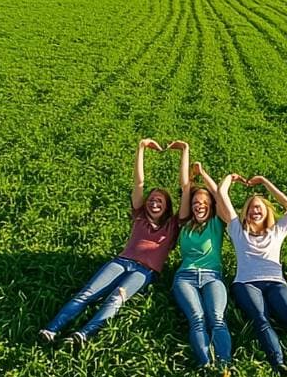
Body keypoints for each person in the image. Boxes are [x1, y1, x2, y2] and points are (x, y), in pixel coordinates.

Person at [37, 138, 187, 345]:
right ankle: (51, 330)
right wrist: (141, 148)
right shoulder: (139, 216)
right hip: (121, 262)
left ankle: (83, 334)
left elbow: (186, 189)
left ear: (167, 206)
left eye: (159, 201)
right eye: (151, 199)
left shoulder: (172, 225)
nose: (154, 202)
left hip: (144, 272)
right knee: (87, 293)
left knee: (116, 299)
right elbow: (139, 183)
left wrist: (184, 151)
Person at [216, 166, 287, 376]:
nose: (255, 210)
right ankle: (279, 363)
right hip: (246, 283)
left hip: (276, 283)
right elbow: (221, 194)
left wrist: (265, 182)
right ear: (246, 213)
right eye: (251, 208)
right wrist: (230, 177)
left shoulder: (278, 230)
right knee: (261, 319)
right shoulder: (237, 229)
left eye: (259, 207)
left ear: (267, 211)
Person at [172, 161, 233, 377]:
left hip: (212, 276)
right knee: (197, 317)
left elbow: (218, 195)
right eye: (196, 202)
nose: (199, 205)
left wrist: (203, 173)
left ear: (210, 206)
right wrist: (189, 173)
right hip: (185, 277)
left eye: (204, 203)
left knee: (216, 317)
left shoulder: (217, 223)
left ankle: (224, 365)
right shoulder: (184, 223)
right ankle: (206, 364)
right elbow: (185, 188)